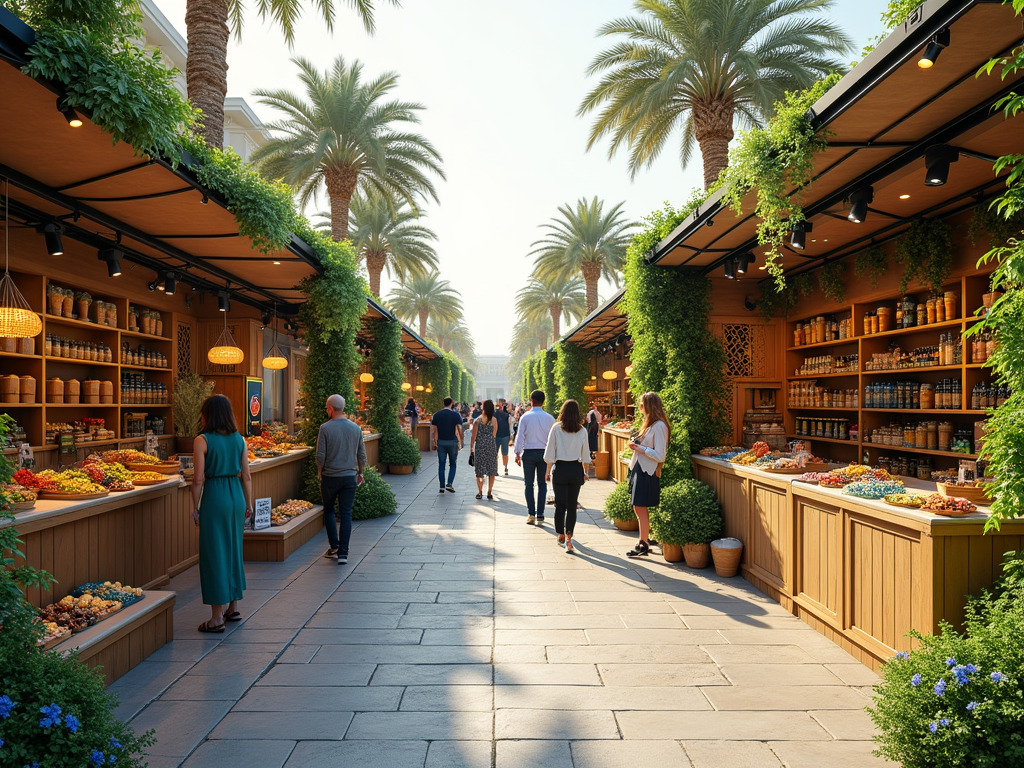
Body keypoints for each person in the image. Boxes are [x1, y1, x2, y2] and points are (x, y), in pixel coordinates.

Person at [191, 394, 252, 632]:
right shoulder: (240, 440)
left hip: (215, 497)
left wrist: (195, 507)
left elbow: (198, 479)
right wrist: (249, 504)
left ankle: (216, 618)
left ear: (206, 415)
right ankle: (233, 608)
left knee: (214, 553)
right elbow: (246, 475)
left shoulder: (202, 440)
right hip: (236, 495)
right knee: (234, 549)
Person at [317, 394, 366, 564]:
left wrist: (319, 471)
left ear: (330, 409)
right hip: (349, 477)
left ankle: (334, 547)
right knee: (346, 514)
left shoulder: (325, 428)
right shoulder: (356, 428)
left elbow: (320, 455)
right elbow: (361, 454)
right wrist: (361, 472)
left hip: (330, 477)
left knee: (329, 510)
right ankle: (343, 554)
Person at [626, 392, 670, 558]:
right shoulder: (651, 424)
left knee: (640, 506)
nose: (639, 408)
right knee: (638, 506)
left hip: (647, 470)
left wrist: (640, 449)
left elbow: (660, 455)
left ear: (650, 406)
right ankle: (642, 541)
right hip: (641, 468)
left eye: (642, 405)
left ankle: (643, 543)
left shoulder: (659, 426)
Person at [544, 399, 590, 553]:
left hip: (561, 468)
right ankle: (569, 535)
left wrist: (547, 471)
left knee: (560, 505)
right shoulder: (582, 430)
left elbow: (550, 452)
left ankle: (560, 535)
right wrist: (586, 472)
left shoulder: (556, 428)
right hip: (576, 469)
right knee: (572, 506)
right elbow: (586, 454)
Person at [513, 389, 555, 525]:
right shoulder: (549, 418)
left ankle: (531, 513)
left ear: (531, 401)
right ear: (544, 401)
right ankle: (541, 514)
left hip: (529, 453)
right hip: (544, 453)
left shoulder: (525, 417)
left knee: (528, 484)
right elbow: (552, 439)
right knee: (542, 484)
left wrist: (517, 453)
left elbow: (520, 437)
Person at [431, 396, 464, 493]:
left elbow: (434, 431)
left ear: (443, 403)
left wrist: (435, 442)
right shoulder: (455, 415)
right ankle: (449, 483)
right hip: (452, 441)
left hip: (441, 441)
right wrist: (461, 441)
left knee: (441, 464)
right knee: (453, 464)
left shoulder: (437, 415)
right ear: (452, 403)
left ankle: (441, 486)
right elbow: (459, 429)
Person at [471, 399, 499, 500]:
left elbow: (473, 437)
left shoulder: (478, 420)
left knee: (479, 470)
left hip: (480, 447)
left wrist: (471, 449)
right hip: (491, 446)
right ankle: (489, 492)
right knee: (491, 470)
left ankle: (480, 491)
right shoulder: (494, 420)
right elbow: (494, 434)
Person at [494, 399, 513, 476]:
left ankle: (496, 468)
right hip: (505, 435)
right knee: (504, 453)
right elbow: (510, 426)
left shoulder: (494, 414)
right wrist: (511, 436)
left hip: (497, 435)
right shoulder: (507, 415)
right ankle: (505, 467)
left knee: (495, 453)